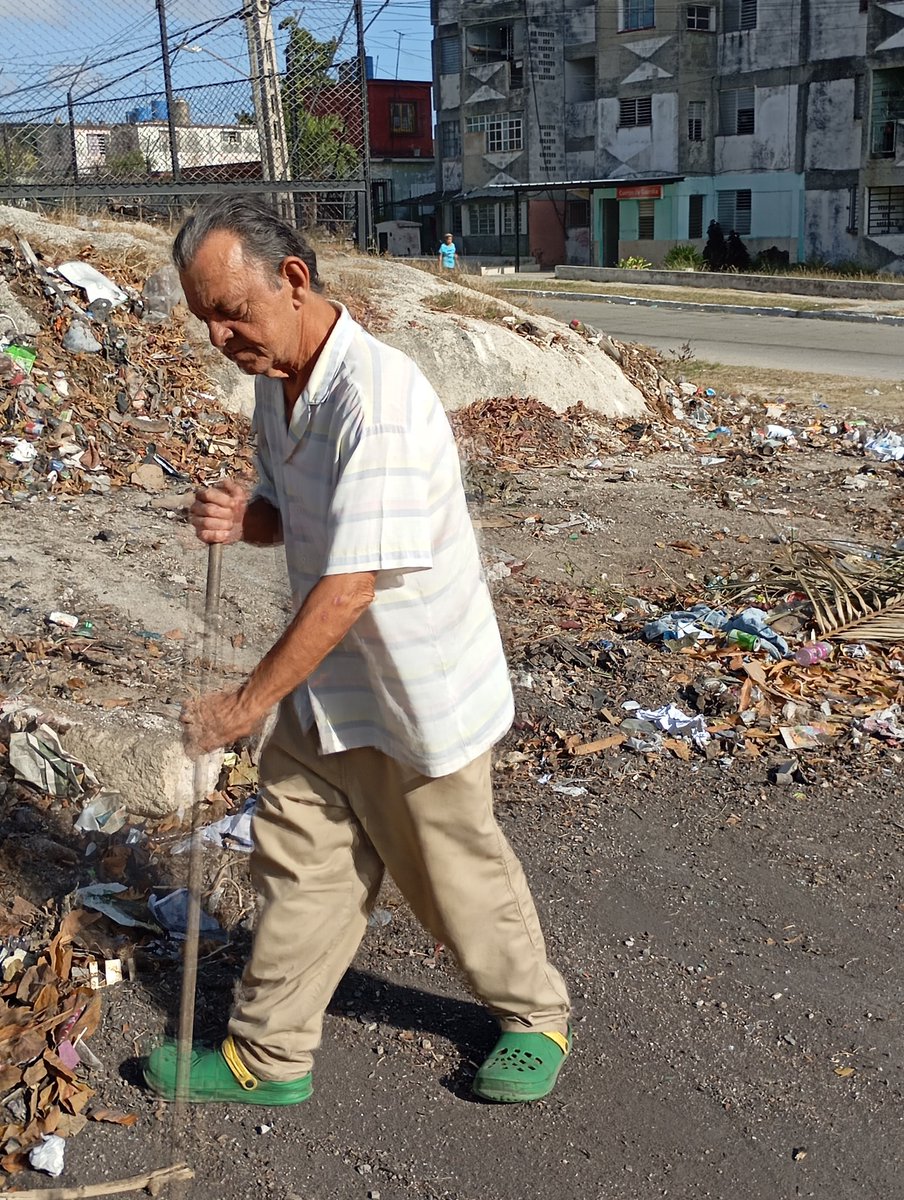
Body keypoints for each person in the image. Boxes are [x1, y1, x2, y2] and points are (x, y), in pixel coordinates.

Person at [142, 195, 571, 1107]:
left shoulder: (375, 397)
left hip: (413, 689)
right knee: (298, 858)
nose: (220, 336)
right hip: (324, 683)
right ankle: (267, 1055)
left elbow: (351, 585)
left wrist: (242, 706)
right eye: (205, 319)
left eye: (232, 312)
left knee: (451, 870)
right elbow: (296, 521)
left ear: (293, 280)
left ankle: (534, 1016)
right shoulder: (275, 379)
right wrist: (243, 517)